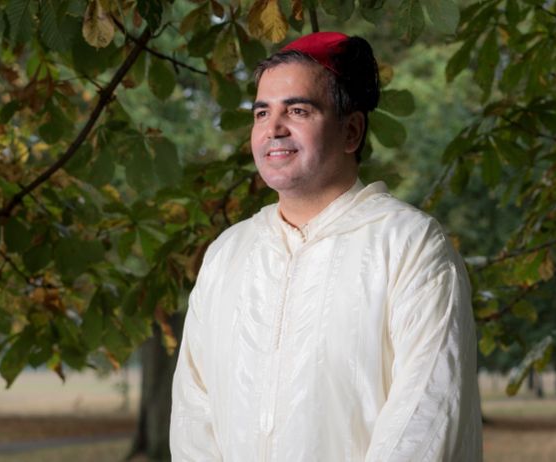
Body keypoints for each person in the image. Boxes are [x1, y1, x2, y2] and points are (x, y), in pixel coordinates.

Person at [170, 31, 483, 461]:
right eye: (262, 113)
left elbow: (428, 417)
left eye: (297, 110)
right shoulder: (228, 254)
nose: (273, 129)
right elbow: (193, 411)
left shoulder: (411, 246)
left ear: (351, 130)